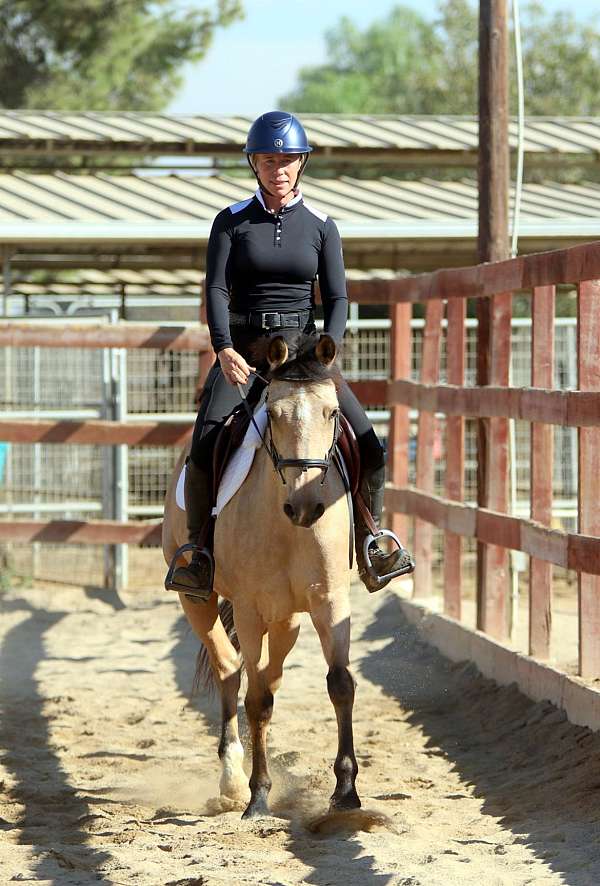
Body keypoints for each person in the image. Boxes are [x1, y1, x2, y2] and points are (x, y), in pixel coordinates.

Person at [166, 110, 413, 600]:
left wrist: (329, 350)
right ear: (253, 164)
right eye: (267, 160)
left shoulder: (322, 225)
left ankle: (372, 540)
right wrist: (223, 348)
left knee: (367, 441)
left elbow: (338, 298)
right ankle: (199, 552)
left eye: (287, 160)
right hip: (244, 350)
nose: (277, 168)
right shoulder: (231, 222)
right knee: (206, 441)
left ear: (301, 164)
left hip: (304, 356)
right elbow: (215, 288)